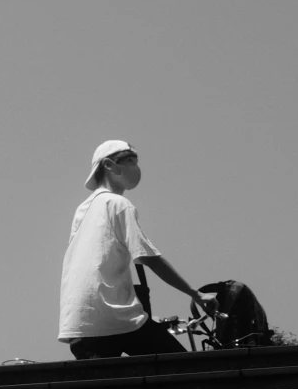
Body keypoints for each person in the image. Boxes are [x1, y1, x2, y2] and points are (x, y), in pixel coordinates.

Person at [58, 138, 212, 360]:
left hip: (81, 323)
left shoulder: (83, 209)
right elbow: (148, 257)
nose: (135, 168)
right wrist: (195, 294)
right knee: (182, 369)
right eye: (128, 161)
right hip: (115, 316)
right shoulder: (118, 204)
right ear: (109, 165)